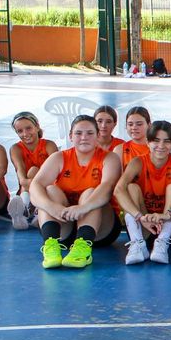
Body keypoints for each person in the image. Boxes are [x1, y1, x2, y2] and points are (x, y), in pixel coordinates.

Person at [29, 114, 122, 269]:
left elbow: (107, 188)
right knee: (49, 190)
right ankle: (51, 245)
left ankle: (84, 248)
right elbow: (35, 186)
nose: (84, 137)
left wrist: (83, 208)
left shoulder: (109, 158)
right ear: (71, 136)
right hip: (65, 227)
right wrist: (52, 207)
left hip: (99, 231)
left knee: (90, 192)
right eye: (78, 133)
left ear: (98, 136)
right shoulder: (59, 157)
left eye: (90, 133)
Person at [112, 120, 171, 264]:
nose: (161, 146)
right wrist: (140, 216)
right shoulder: (138, 162)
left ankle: (162, 242)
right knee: (130, 188)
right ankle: (137, 243)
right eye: (156, 141)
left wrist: (167, 215)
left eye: (166, 141)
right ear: (147, 142)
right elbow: (118, 189)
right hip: (145, 226)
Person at [7, 111, 57, 231]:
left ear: (37, 126)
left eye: (28, 128)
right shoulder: (16, 148)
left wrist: (38, 184)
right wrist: (33, 184)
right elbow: (22, 177)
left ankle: (30, 209)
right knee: (32, 171)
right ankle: (29, 209)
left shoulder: (49, 145)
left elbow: (56, 175)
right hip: (27, 189)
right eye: (20, 131)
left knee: (35, 171)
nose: (25, 134)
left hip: (48, 188)